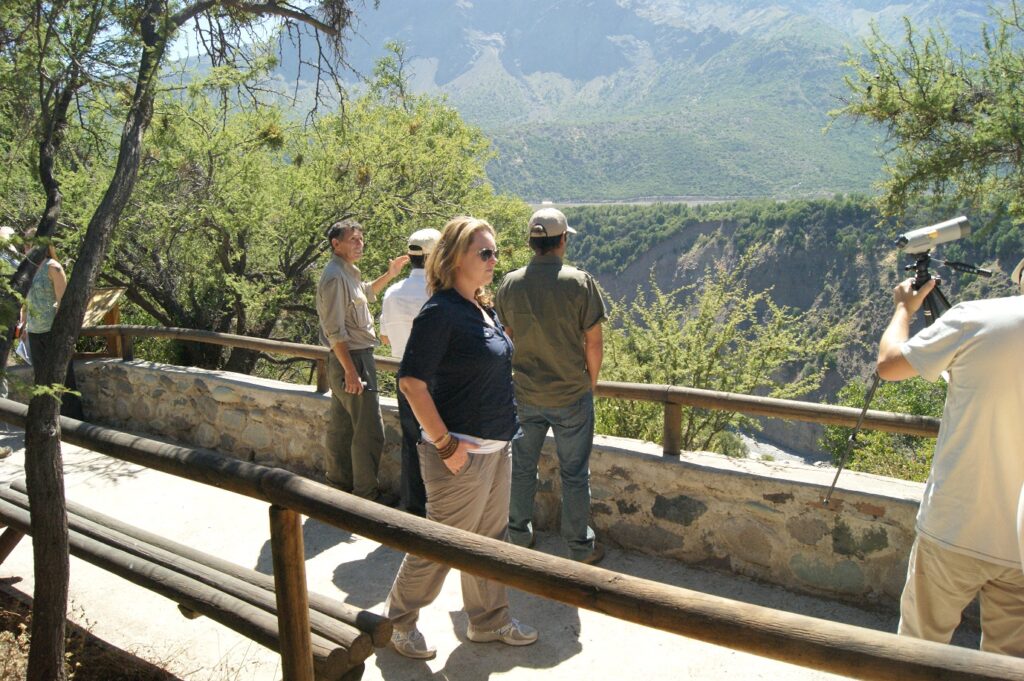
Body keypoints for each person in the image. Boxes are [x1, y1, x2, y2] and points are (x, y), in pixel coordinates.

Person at [384, 216, 538, 660]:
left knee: (489, 543)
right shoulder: (442, 311)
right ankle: (396, 624)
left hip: (495, 448)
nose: (494, 260)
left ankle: (488, 622)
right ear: (454, 258)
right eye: (484, 253)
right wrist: (446, 445)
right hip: (459, 456)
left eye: (495, 252)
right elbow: (411, 383)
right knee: (439, 546)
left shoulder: (479, 307)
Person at [876, 260, 1024, 657]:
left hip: (955, 526)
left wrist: (904, 308)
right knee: (1010, 665)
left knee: (917, 654)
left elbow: (889, 365)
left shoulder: (976, 318)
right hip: (1020, 548)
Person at [495, 207, 607, 564]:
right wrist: (591, 383)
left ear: (531, 242)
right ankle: (578, 547)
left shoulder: (510, 283)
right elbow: (594, 341)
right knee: (575, 473)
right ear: (562, 241)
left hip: (524, 394)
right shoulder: (579, 282)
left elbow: (503, 337)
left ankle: (518, 535)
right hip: (571, 393)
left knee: (522, 466)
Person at [315, 219, 408, 505]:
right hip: (352, 359)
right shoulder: (334, 277)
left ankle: (338, 488)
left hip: (351, 359)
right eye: (353, 239)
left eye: (361, 239)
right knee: (369, 431)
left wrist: (390, 274)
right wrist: (352, 372)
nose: (360, 243)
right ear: (336, 244)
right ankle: (365, 496)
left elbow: (365, 293)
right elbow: (334, 332)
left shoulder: (347, 273)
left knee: (343, 427)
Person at [379, 227, 442, 517]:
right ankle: (441, 505)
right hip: (438, 375)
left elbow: (385, 338)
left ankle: (414, 505)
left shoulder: (392, 293)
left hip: (404, 372)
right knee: (441, 438)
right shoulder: (440, 293)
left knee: (411, 438)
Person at [24, 230, 84, 419]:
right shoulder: (28, 268)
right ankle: (46, 420)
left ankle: (73, 423)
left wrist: (60, 333)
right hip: (34, 331)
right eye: (26, 243)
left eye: (31, 243)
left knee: (63, 379)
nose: (26, 247)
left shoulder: (53, 267)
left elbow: (63, 302)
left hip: (52, 332)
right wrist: (23, 323)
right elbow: (26, 299)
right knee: (41, 379)